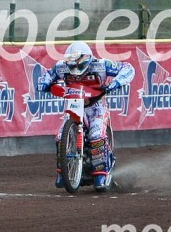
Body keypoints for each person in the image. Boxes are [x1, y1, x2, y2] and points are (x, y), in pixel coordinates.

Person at [39, 41, 135, 191]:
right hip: (74, 107)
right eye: (72, 63)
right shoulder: (61, 66)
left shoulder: (101, 65)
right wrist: (44, 84)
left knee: (96, 135)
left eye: (79, 62)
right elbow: (47, 75)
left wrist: (116, 82)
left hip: (97, 107)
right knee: (60, 136)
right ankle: (62, 172)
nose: (75, 66)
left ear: (87, 58)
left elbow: (128, 68)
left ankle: (100, 174)